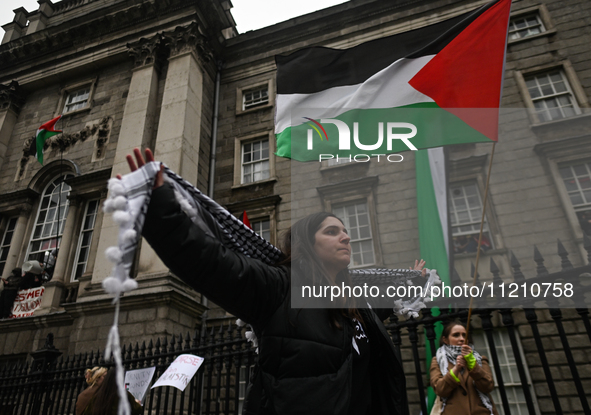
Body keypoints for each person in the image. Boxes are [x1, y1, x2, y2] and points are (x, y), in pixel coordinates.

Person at [124, 148, 426, 415]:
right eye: (332, 231)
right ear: (309, 244)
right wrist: (161, 209)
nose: (346, 236)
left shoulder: (355, 299)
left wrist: (413, 281)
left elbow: (385, 303)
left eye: (345, 231)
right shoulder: (281, 287)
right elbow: (212, 264)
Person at [430, 322, 498, 415]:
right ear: (445, 339)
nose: (462, 339)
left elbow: (487, 386)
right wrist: (456, 369)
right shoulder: (437, 361)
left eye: (464, 335)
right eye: (456, 335)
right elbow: (440, 390)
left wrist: (472, 364)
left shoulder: (479, 360)